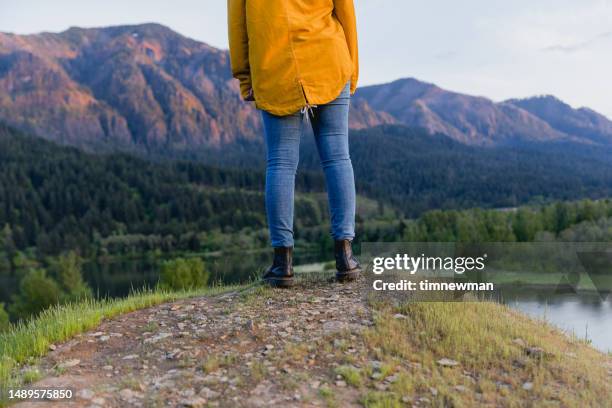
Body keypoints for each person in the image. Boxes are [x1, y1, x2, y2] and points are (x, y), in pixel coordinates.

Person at [228, 0, 361, 287]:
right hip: (328, 55)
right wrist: (352, 68)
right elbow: (346, 12)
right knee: (337, 156)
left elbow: (238, 24)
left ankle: (282, 264)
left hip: (274, 66)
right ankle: (345, 257)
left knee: (281, 163)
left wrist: (244, 76)